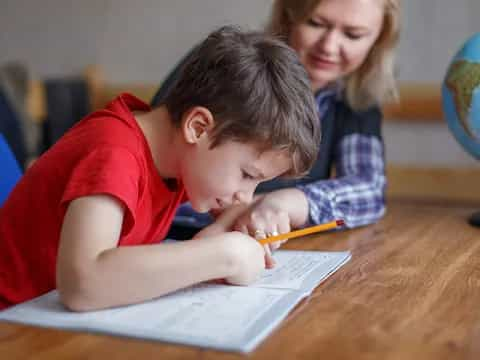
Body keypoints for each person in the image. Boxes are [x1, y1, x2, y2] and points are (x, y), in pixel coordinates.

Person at [0, 26, 320, 311]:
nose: (243, 196)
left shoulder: (180, 158)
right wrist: (225, 254)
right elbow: (82, 283)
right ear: (197, 127)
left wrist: (234, 224)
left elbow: (228, 211)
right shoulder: (114, 152)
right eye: (248, 175)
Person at [152, 0, 400, 256]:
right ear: (289, 16)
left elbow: (368, 188)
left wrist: (284, 202)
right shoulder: (231, 65)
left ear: (377, 40)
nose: (329, 46)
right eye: (315, 23)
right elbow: (158, 167)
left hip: (246, 248)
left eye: (353, 34)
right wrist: (235, 216)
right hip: (174, 241)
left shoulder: (354, 98)